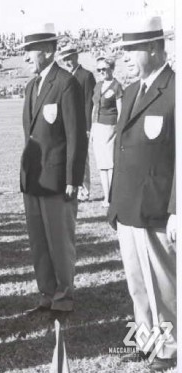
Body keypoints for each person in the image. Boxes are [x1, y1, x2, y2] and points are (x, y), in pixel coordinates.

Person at [107, 16, 176, 371]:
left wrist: (177, 208)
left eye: (132, 49)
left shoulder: (175, 89)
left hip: (157, 206)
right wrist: (114, 201)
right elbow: (123, 150)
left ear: (153, 47)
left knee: (162, 281)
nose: (126, 57)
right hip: (128, 206)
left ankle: (169, 348)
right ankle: (148, 338)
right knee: (137, 282)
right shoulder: (132, 91)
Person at [19, 24, 87, 318]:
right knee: (39, 241)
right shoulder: (31, 86)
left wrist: (73, 179)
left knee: (59, 241)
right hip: (33, 179)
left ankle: (64, 295)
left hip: (57, 179)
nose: (27, 58)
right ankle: (47, 293)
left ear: (47, 51)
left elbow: (75, 136)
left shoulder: (66, 83)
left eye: (30, 52)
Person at [60, 44, 95, 202]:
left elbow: (89, 103)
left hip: (81, 125)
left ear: (76, 56)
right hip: (66, 124)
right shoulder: (64, 77)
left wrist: (88, 127)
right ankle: (70, 185)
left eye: (69, 58)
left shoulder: (86, 76)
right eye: (64, 59)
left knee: (82, 157)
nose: (67, 62)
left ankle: (84, 190)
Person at [91, 56, 123, 207]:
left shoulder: (117, 86)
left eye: (104, 69)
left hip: (111, 127)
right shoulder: (97, 86)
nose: (101, 72)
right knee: (101, 165)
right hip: (97, 127)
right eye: (99, 69)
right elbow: (94, 108)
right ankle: (106, 197)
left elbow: (120, 111)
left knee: (110, 164)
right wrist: (92, 128)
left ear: (111, 69)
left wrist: (119, 128)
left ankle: (112, 196)